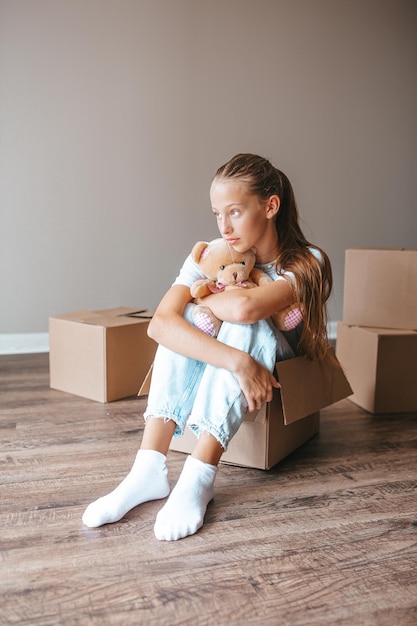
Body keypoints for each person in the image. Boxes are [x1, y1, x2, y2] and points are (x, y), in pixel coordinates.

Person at [82, 153, 333, 540]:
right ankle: (147, 469)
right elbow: (160, 324)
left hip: (280, 365)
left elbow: (246, 308)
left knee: (241, 326)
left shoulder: (306, 262)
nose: (224, 227)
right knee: (183, 323)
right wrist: (237, 364)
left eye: (234, 211)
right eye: (217, 214)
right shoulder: (211, 255)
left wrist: (200, 300)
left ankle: (199, 474)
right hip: (241, 363)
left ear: (270, 206)